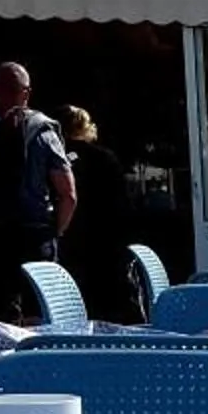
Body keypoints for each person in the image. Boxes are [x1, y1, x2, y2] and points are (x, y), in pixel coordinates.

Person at [0, 62, 77, 337]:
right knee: (40, 317)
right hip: (35, 236)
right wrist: (55, 230)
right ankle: (36, 370)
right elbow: (68, 194)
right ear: (27, 93)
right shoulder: (44, 130)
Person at [58, 103, 135, 321]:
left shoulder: (56, 159)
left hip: (73, 238)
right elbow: (121, 203)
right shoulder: (104, 158)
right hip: (105, 241)